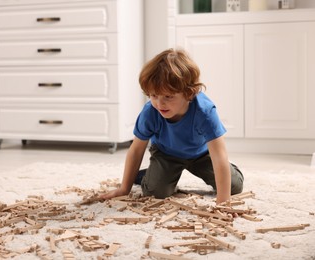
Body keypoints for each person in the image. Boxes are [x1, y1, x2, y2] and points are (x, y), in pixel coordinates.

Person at [100, 48, 244, 204]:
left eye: (168, 96)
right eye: (154, 95)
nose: (160, 103)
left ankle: (229, 172)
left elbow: (219, 155)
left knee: (234, 187)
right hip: (166, 154)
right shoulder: (150, 112)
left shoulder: (205, 112)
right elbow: (136, 150)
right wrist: (124, 189)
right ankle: (146, 174)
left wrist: (223, 202)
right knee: (154, 192)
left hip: (201, 155)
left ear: (189, 93)